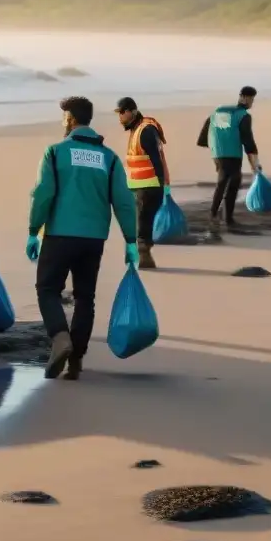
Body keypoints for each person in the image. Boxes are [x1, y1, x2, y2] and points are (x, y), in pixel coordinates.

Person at [27, 97, 138, 381]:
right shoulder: (110, 158)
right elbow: (124, 201)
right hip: (93, 240)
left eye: (64, 116)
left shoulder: (54, 152)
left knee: (47, 289)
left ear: (71, 119)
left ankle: (60, 338)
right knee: (84, 297)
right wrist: (131, 240)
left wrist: (32, 231)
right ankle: (75, 361)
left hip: (60, 235)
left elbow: (43, 195)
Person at [197, 86, 261, 239]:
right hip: (232, 154)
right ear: (245, 98)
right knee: (230, 184)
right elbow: (248, 141)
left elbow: (206, 131)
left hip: (218, 154)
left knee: (224, 183)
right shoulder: (243, 115)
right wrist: (255, 165)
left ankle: (218, 217)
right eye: (251, 99)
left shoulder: (220, 111)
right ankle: (225, 220)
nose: (251, 102)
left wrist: (214, 150)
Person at [115, 96, 170, 269]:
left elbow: (156, 159)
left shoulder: (145, 130)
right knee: (141, 220)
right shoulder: (137, 128)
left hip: (149, 185)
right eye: (119, 113)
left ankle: (144, 257)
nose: (120, 117)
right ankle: (142, 256)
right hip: (139, 185)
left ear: (132, 111)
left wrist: (162, 185)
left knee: (143, 221)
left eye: (122, 113)